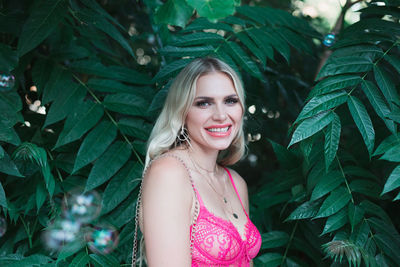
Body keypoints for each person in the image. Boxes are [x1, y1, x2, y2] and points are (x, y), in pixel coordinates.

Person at [131, 57, 262, 266]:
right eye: (204, 103)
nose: (221, 115)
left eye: (230, 100)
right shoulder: (169, 173)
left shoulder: (235, 182)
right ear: (182, 112)